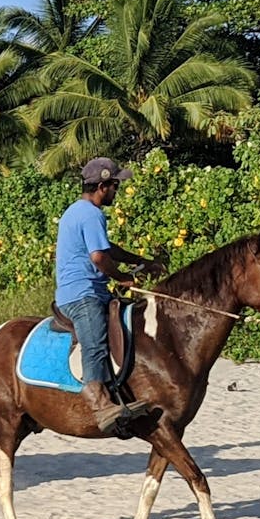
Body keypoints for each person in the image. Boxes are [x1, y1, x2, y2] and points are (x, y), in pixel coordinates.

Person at [54, 157, 166, 436]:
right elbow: (99, 256)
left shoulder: (76, 211)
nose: (117, 191)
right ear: (102, 186)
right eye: (115, 185)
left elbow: (108, 248)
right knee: (96, 345)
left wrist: (141, 260)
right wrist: (123, 278)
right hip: (82, 295)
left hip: (88, 290)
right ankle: (100, 404)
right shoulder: (92, 214)